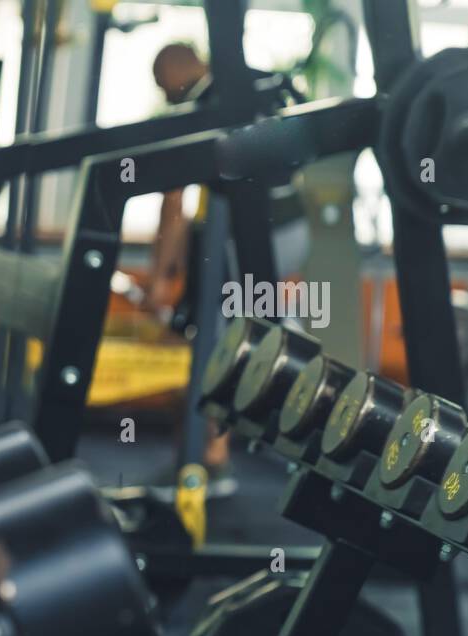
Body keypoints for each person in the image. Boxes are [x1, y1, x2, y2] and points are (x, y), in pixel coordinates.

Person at [144, 43, 309, 499]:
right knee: (265, 333)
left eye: (163, 86)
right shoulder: (257, 80)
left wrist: (162, 274)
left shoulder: (201, 106)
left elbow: (174, 199)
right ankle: (304, 428)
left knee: (221, 341)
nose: (166, 95)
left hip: (248, 233)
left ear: (175, 75)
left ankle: (210, 462)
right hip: (291, 229)